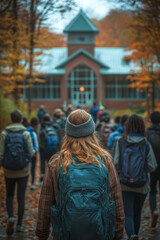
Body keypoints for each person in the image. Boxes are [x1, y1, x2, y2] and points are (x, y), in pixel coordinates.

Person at [36, 109, 124, 240]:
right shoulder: (104, 160)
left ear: (67, 133)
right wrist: (118, 233)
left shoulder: (56, 162)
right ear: (92, 132)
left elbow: (46, 203)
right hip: (100, 232)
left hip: (65, 233)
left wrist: (42, 234)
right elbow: (116, 199)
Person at [113, 114, 157, 240]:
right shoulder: (145, 143)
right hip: (141, 184)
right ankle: (135, 235)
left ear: (128, 126)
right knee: (137, 213)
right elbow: (152, 166)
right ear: (142, 126)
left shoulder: (120, 141)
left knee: (128, 214)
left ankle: (132, 235)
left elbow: (115, 162)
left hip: (124, 184)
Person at [0, 110, 34, 235]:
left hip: (9, 171)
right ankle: (19, 225)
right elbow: (30, 152)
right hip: (23, 171)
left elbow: (1, 154)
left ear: (10, 120)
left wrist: (3, 165)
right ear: (21, 120)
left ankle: (10, 217)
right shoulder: (25, 133)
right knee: (21, 197)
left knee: (9, 195)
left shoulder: (4, 133)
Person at [147, 111, 160, 227]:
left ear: (150, 120)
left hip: (153, 167)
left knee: (152, 191)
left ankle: (154, 211)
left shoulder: (148, 133)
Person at [38, 114, 59, 186]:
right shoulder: (53, 126)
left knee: (43, 162)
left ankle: (43, 178)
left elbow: (39, 138)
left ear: (43, 120)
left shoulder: (41, 127)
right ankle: (52, 178)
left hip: (43, 148)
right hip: (53, 148)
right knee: (51, 162)